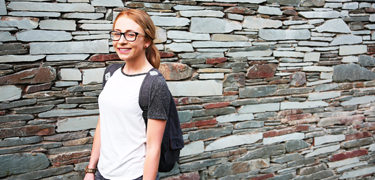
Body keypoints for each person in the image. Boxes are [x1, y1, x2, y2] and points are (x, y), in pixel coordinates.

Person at [84, 9, 171, 180]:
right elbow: (104, 123)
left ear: (146, 41)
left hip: (134, 175)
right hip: (102, 173)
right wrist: (91, 170)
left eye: (131, 34)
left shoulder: (154, 83)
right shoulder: (111, 73)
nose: (121, 41)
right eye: (117, 34)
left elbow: (154, 148)